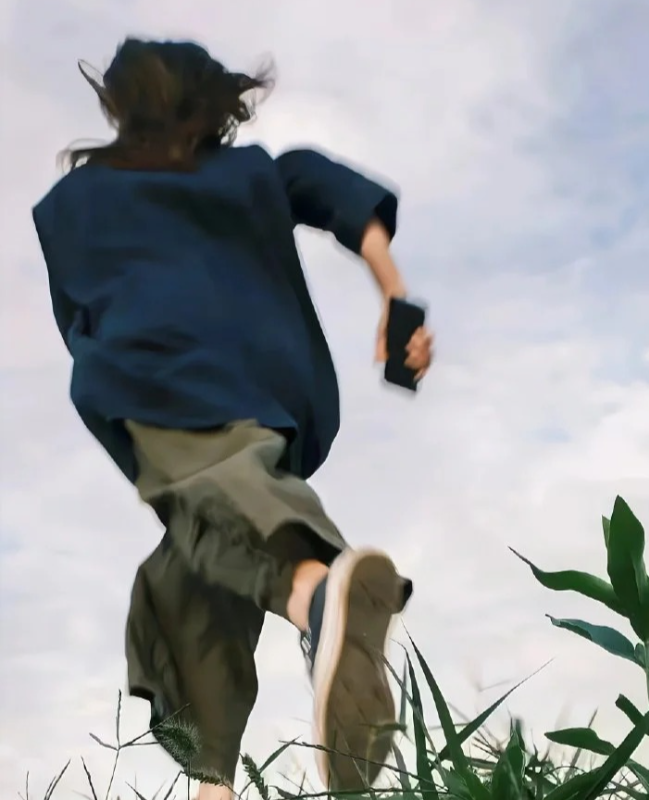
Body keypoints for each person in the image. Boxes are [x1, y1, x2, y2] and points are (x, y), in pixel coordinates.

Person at [32, 38, 434, 799]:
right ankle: (212, 784)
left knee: (218, 495)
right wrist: (394, 297)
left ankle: (315, 593)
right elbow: (331, 192)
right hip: (269, 391)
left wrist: (112, 394)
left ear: (120, 106)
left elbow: (77, 318)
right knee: (192, 571)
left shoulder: (76, 205)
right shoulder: (254, 174)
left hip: (155, 383)